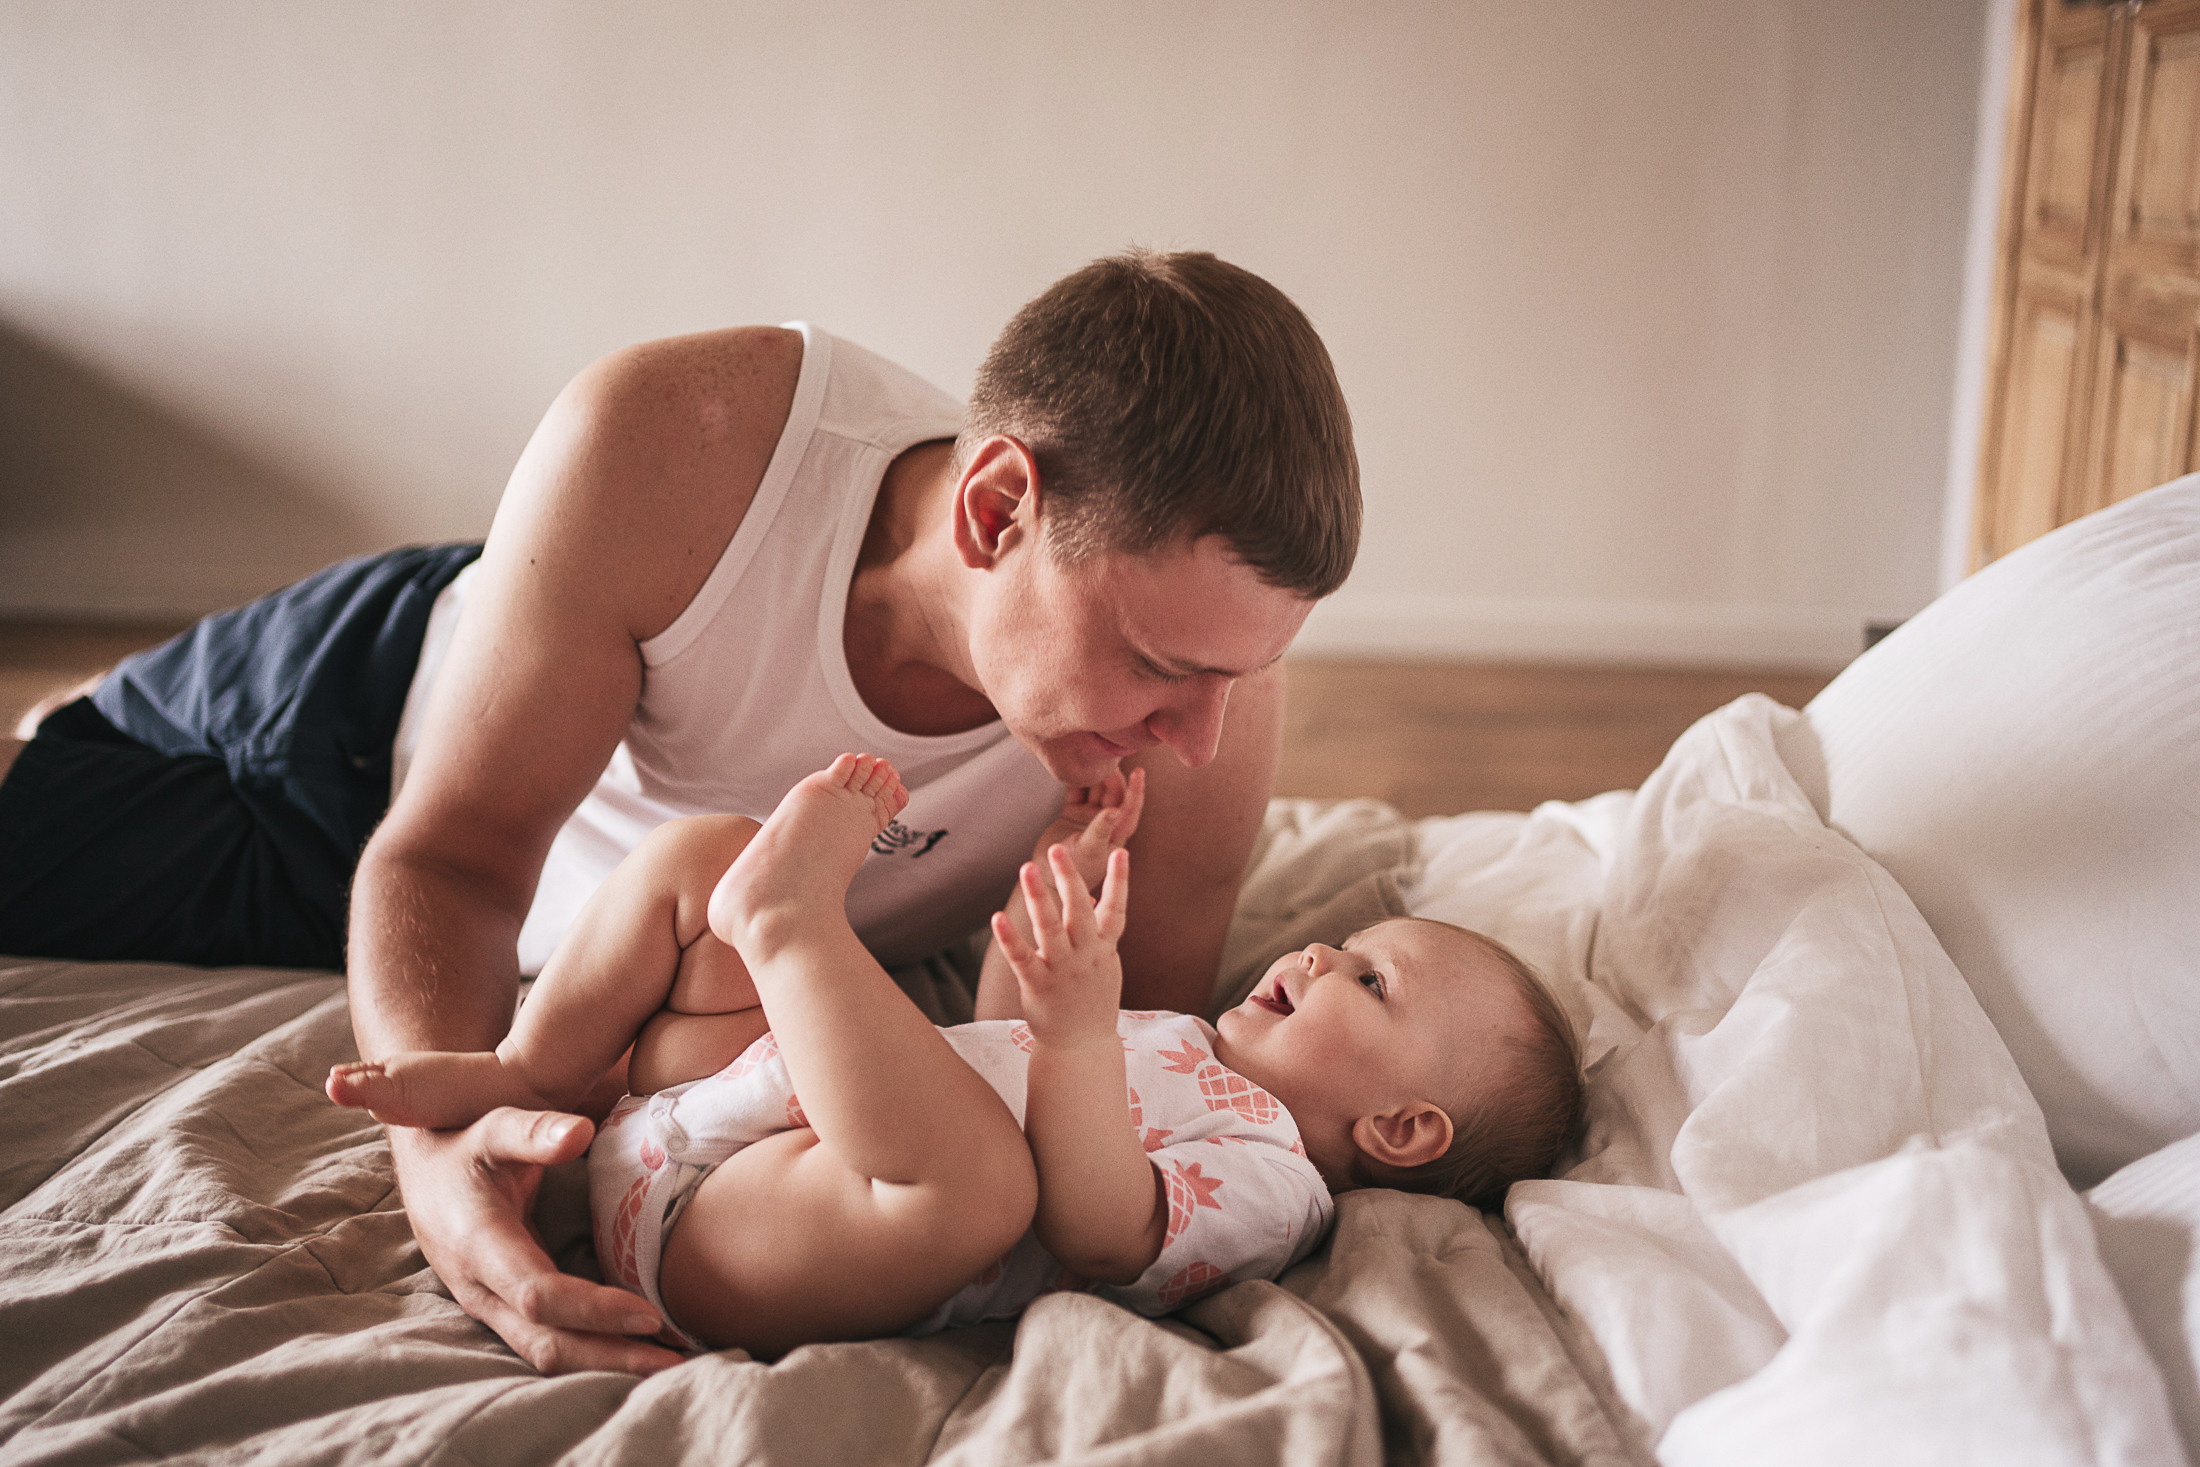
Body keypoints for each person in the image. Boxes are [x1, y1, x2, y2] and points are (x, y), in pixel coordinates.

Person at [0, 249, 1362, 1372]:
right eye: (1163, 667)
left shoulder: (1199, 724)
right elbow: (454, 854)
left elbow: (1102, 1073)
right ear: (998, 507)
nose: (1203, 734)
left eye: (1241, 673)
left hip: (613, 944)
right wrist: (440, 1151)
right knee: (42, 813)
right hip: (349, 740)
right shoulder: (688, 441)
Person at [328, 754, 1586, 1357]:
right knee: (704, 853)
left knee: (984, 1193)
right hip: (730, 1097)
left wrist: (1082, 1033)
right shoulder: (1193, 1040)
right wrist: (1058, 901)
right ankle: (537, 1068)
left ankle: (789, 920)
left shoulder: (1275, 1180)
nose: (1315, 955)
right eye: (1340, 943)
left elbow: (1102, 1226)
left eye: (1367, 980)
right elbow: (992, 1037)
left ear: (1405, 1130)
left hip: (751, 1232)